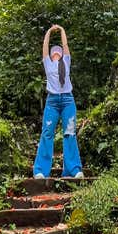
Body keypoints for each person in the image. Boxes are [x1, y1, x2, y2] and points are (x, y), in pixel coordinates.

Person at [33, 24, 84, 179]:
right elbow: (45, 46)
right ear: (50, 55)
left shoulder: (66, 62)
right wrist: (49, 31)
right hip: (53, 101)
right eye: (53, 51)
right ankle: (41, 171)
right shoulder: (47, 63)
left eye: (58, 51)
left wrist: (61, 30)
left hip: (67, 99)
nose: (55, 52)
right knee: (47, 133)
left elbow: (65, 45)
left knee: (69, 133)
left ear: (61, 54)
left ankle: (73, 170)